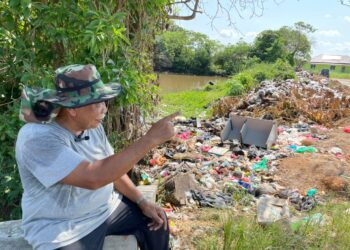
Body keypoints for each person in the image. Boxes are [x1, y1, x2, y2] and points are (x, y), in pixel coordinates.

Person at [15, 64, 177, 250]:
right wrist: (150, 139)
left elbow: (112, 170)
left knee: (157, 221)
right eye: (97, 103)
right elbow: (93, 177)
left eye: (104, 102)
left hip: (105, 210)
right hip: (61, 228)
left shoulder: (93, 127)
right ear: (73, 108)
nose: (104, 110)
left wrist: (142, 201)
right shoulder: (37, 138)